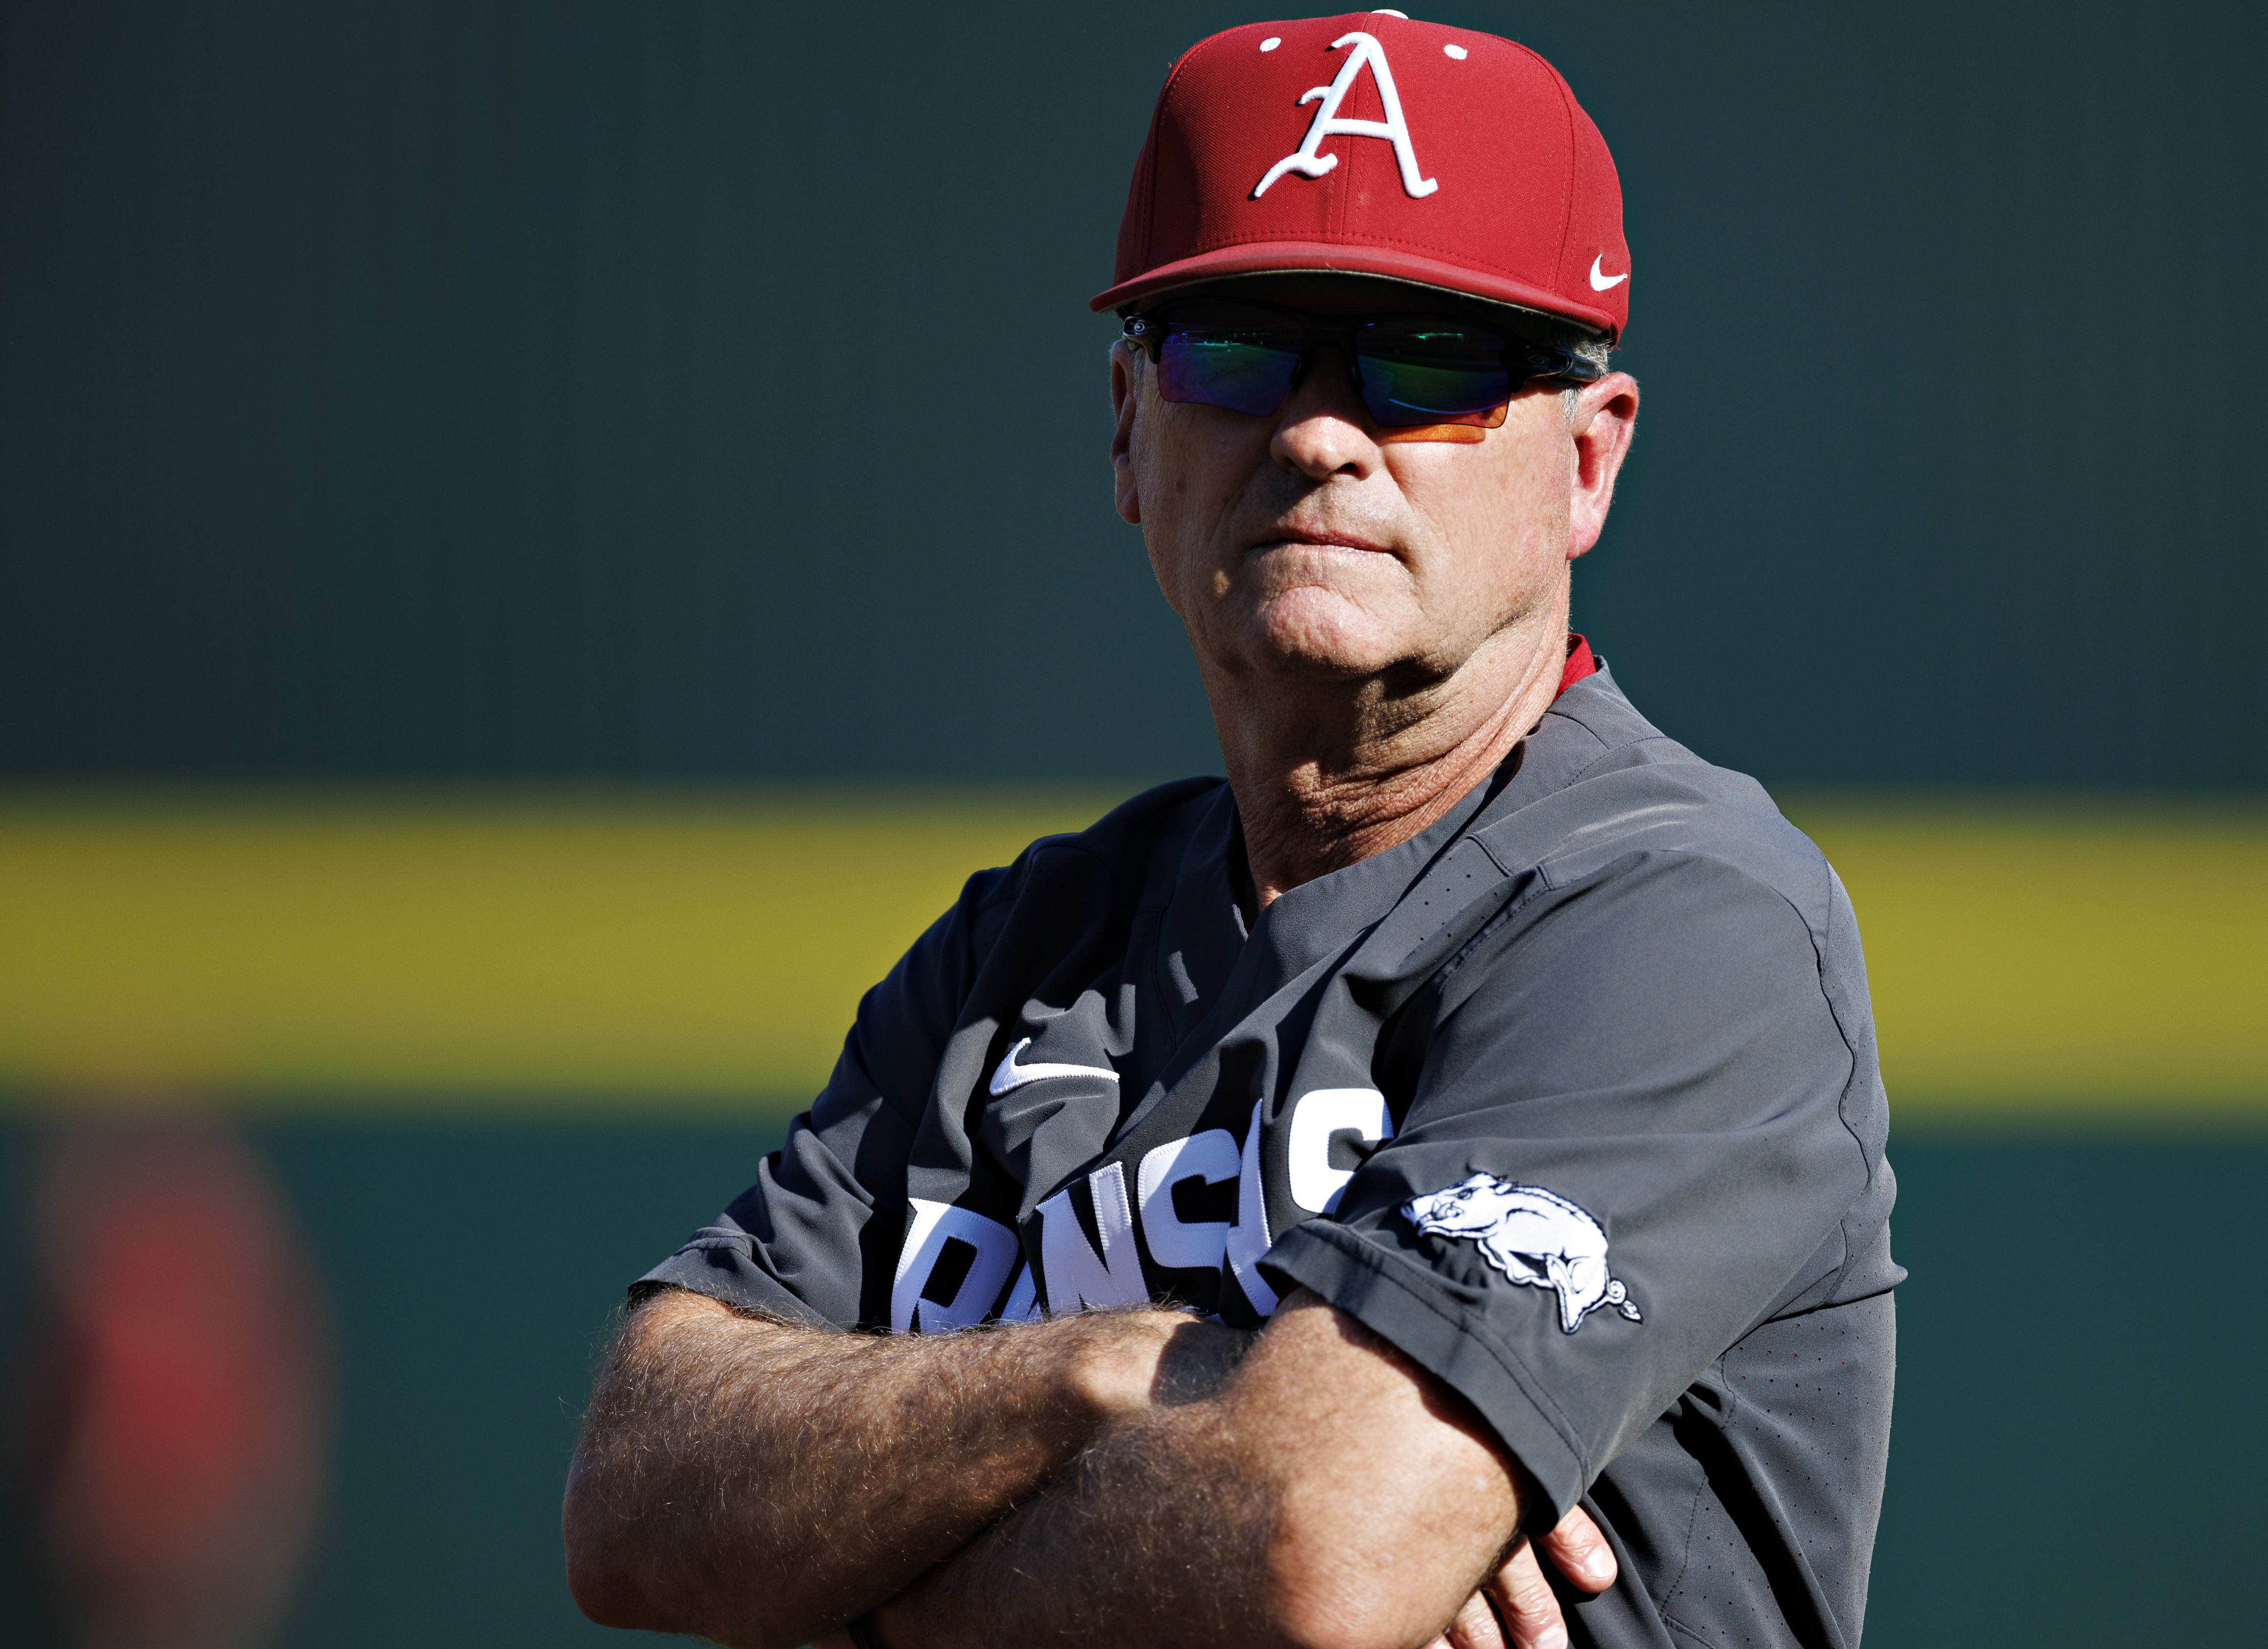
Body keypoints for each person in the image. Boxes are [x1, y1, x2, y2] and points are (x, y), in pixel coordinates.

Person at [562, 14, 1899, 1649]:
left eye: (1434, 365)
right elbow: (638, 1495)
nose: (1324, 430)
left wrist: (861, 1569)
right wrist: (1127, 1365)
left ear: (1587, 462)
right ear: (1132, 428)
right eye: (1243, 348)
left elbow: (1308, 1553)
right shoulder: (1026, 951)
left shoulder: (1677, 918)